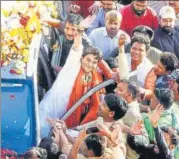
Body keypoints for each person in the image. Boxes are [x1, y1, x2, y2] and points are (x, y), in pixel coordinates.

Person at [39, 33, 113, 137]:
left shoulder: (94, 77)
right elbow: (76, 48)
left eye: (94, 62)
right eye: (88, 60)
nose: (90, 64)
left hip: (63, 121)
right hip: (46, 115)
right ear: (81, 58)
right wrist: (79, 32)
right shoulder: (72, 67)